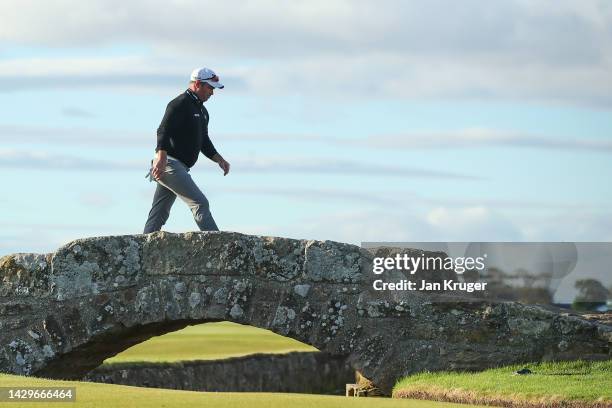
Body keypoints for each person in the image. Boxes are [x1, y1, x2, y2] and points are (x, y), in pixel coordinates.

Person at [143, 67, 230, 233]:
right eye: (210, 87)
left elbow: (203, 140)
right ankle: (217, 244)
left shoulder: (202, 111)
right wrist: (161, 159)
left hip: (178, 166)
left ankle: (141, 251)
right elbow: (163, 131)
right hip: (169, 164)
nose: (212, 92)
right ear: (198, 84)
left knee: (159, 211)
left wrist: (220, 159)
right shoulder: (179, 104)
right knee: (199, 202)